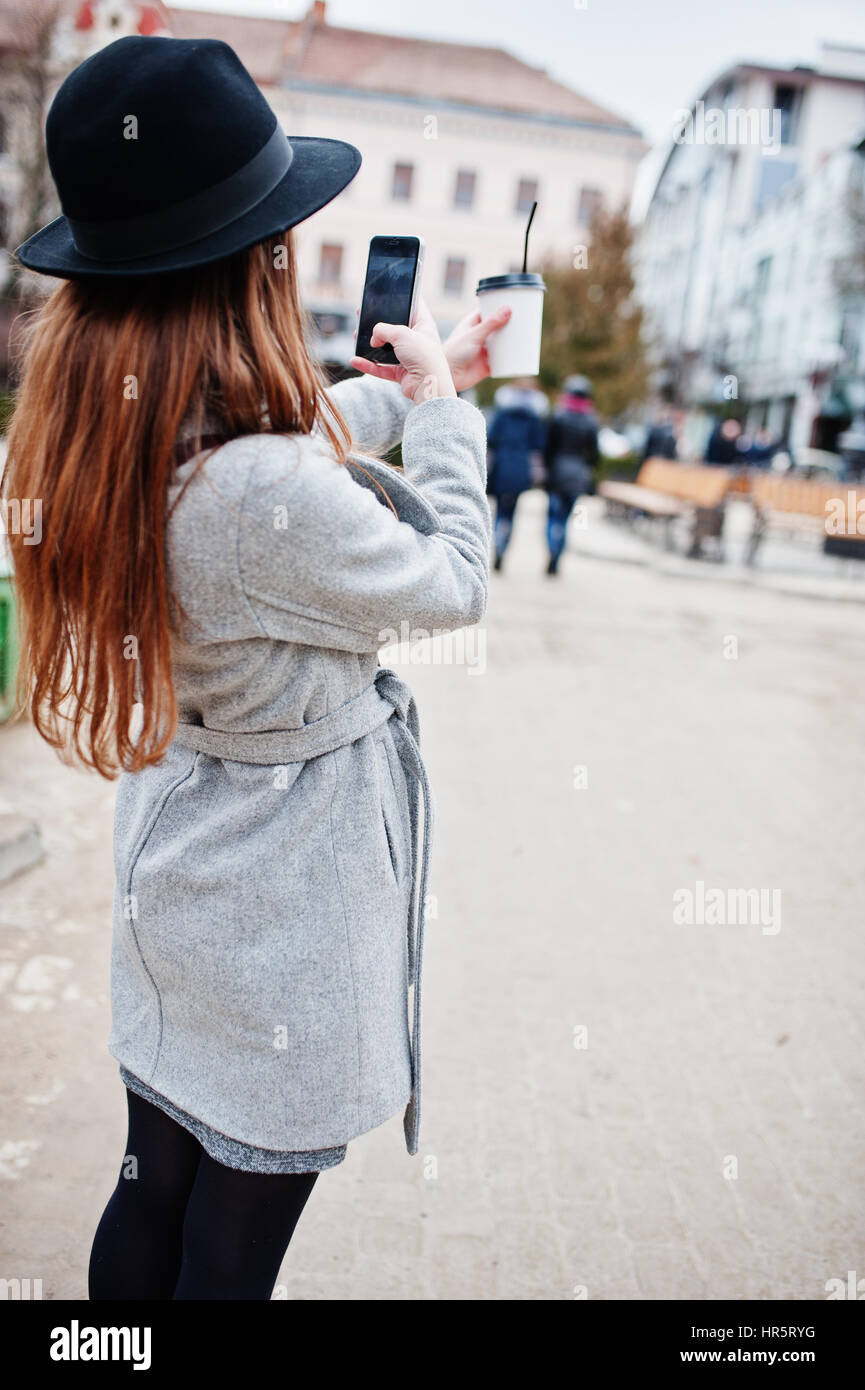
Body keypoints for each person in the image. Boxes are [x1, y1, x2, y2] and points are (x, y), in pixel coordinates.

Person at [4, 36, 509, 1301]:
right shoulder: (256, 489)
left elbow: (266, 445)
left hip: (181, 863)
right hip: (279, 901)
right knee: (230, 1251)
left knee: (153, 1183)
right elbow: (452, 586)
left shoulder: (98, 418)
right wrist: (447, 418)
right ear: (250, 261)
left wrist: (420, 388)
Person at [486, 378, 547, 570]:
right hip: (521, 468)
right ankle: (504, 545)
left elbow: (490, 439)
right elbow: (538, 446)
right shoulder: (534, 419)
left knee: (499, 511)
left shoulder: (503, 414)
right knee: (511, 512)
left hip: (501, 466)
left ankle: (497, 541)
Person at [543, 374, 600, 575]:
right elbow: (594, 455)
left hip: (557, 473)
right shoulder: (591, 421)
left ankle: (552, 547)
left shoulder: (558, 416)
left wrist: (548, 469)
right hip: (577, 476)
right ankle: (558, 555)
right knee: (566, 519)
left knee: (553, 517)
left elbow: (548, 448)